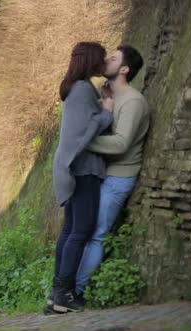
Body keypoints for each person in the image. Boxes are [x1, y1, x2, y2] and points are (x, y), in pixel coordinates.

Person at [75, 45, 147, 297]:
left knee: (97, 233)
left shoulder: (133, 101)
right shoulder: (108, 97)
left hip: (119, 177)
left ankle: (78, 291)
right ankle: (72, 288)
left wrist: (82, 142)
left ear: (125, 69)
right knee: (84, 231)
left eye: (113, 58)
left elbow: (121, 143)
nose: (106, 60)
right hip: (102, 173)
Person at [48, 41, 114, 314]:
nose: (104, 60)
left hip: (69, 169)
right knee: (80, 232)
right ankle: (64, 294)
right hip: (83, 170)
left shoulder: (75, 88)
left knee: (69, 231)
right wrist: (107, 112)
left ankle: (56, 294)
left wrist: (99, 107)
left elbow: (81, 125)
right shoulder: (84, 89)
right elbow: (87, 132)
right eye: (101, 57)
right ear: (90, 61)